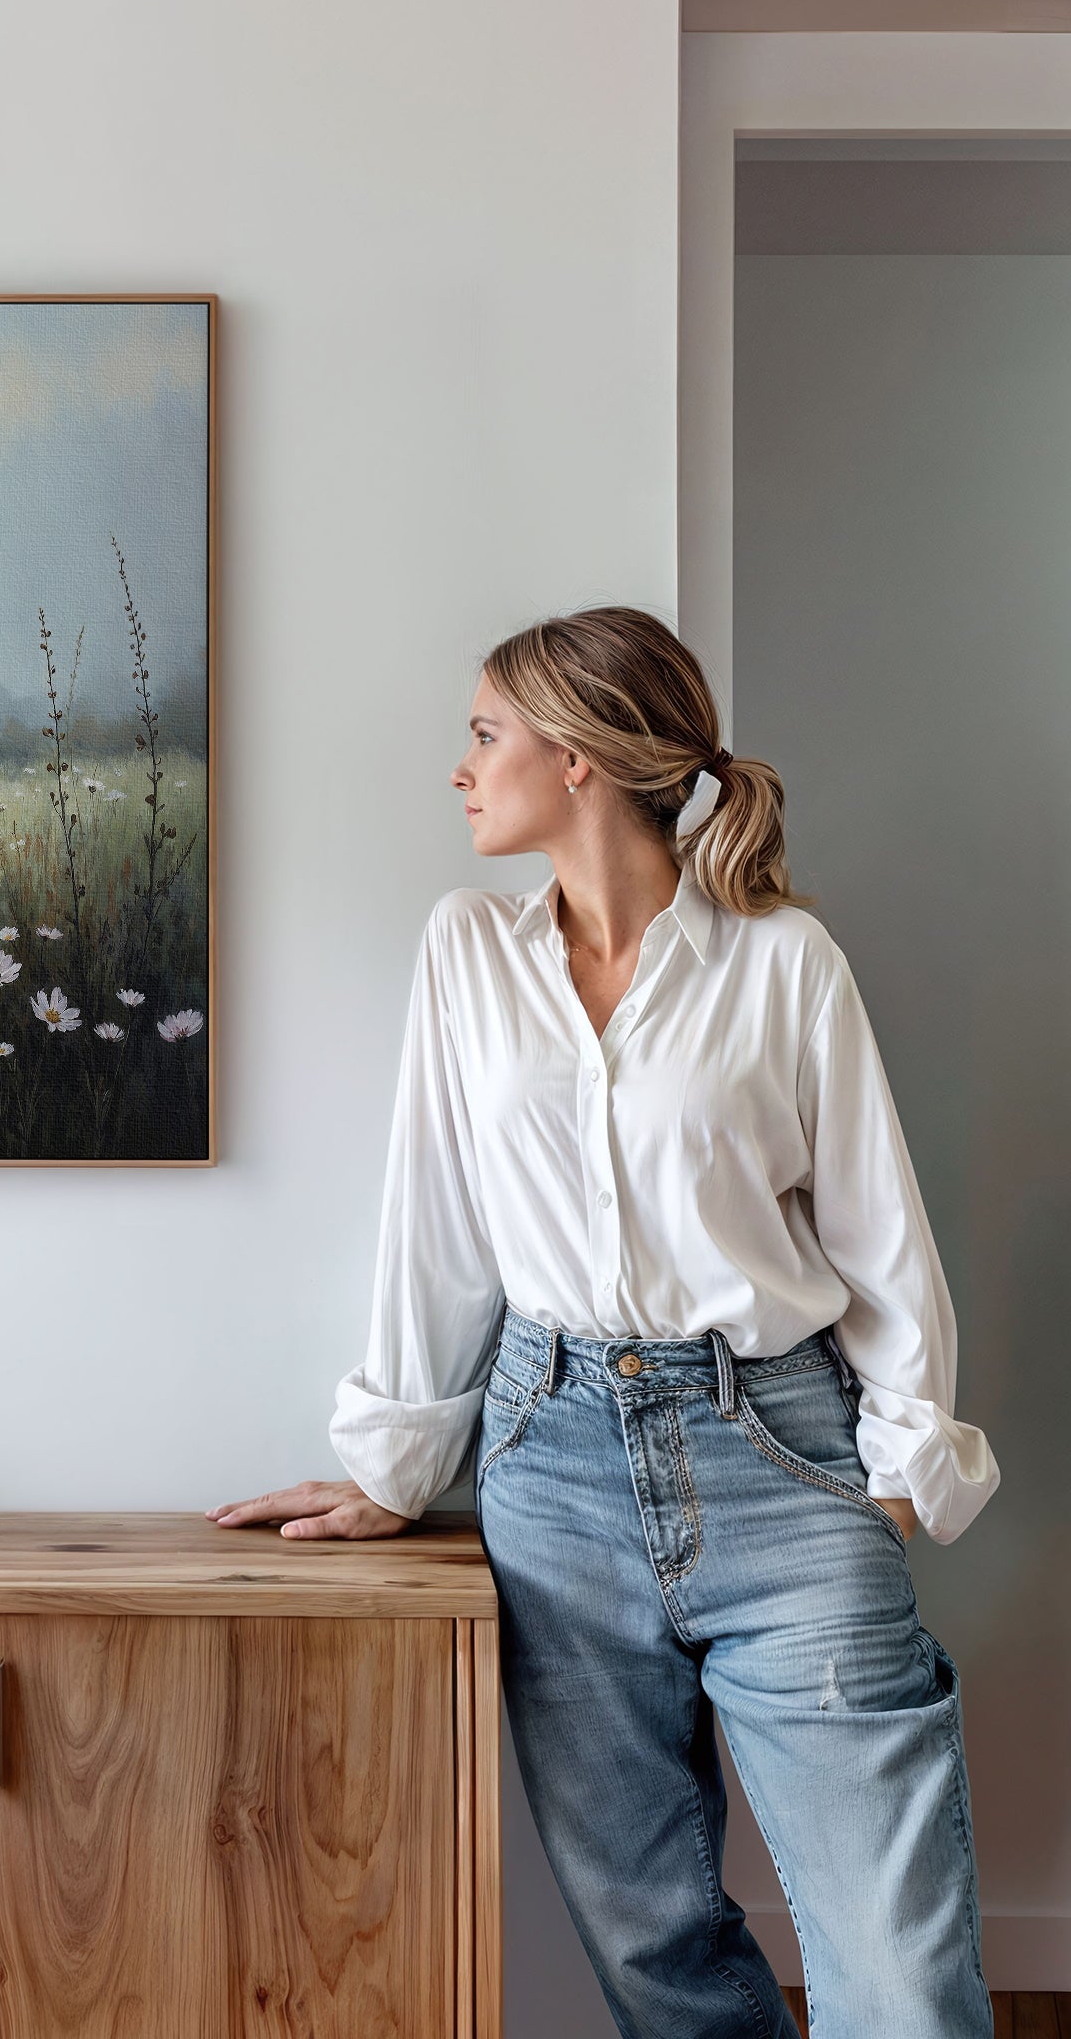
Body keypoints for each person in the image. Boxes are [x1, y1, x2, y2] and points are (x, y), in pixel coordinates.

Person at [207, 607, 1000, 2037]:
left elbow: (882, 1234)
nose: (461, 768)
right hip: (551, 1464)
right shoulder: (467, 954)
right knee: (655, 1951)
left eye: (484, 733)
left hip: (782, 1451)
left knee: (897, 1965)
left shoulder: (783, 963)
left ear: (577, 760)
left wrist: (896, 1470)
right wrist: (399, 1464)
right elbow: (434, 1223)